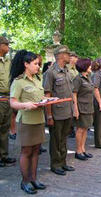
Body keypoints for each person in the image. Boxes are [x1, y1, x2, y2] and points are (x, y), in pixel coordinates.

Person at [9, 50, 46, 194]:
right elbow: (13, 103)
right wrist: (25, 105)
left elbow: (40, 96)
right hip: (26, 122)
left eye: (38, 64)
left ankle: (34, 179)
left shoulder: (38, 79)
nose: (38, 66)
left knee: (36, 150)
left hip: (39, 119)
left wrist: (44, 101)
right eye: (35, 64)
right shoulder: (19, 82)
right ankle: (25, 181)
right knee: (26, 151)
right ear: (26, 64)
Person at [44, 45, 75, 175]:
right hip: (57, 113)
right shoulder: (51, 73)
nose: (70, 57)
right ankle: (55, 164)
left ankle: (63, 162)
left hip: (67, 112)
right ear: (61, 56)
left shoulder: (67, 71)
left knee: (63, 139)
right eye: (68, 54)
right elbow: (47, 95)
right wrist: (49, 116)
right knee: (56, 139)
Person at [73, 58, 94, 160]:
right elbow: (74, 94)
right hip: (82, 107)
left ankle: (83, 149)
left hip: (89, 106)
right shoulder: (78, 79)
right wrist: (75, 108)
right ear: (85, 67)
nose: (91, 67)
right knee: (80, 129)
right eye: (89, 65)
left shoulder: (88, 77)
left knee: (85, 128)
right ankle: (78, 151)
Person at [0, 36, 16, 167]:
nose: (8, 47)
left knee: (5, 129)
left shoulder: (8, 61)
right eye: (6, 45)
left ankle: (3, 155)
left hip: (7, 98)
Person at [67, 51, 79, 138]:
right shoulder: (67, 68)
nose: (75, 59)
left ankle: (72, 128)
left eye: (75, 57)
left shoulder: (76, 69)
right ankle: (69, 129)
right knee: (69, 111)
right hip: (69, 92)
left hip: (76, 92)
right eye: (72, 57)